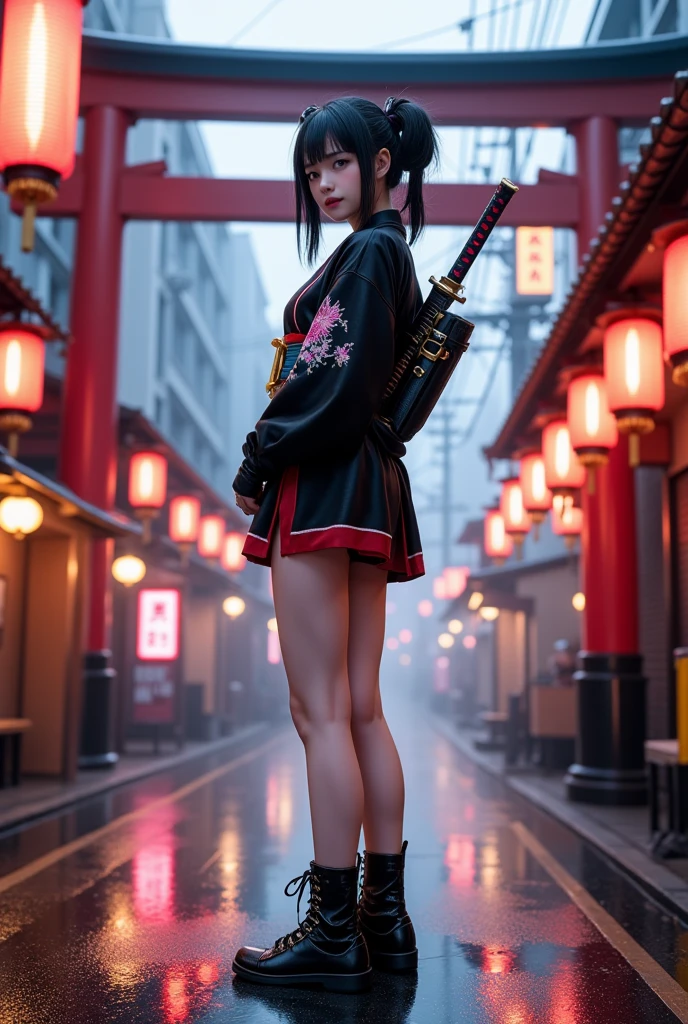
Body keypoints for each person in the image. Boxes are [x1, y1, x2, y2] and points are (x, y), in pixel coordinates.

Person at [231, 95, 438, 993]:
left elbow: (327, 380)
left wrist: (257, 455)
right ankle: (381, 924)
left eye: (338, 162)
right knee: (358, 708)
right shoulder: (394, 254)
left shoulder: (363, 254)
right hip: (368, 485)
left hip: (322, 483)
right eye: (311, 168)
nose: (321, 180)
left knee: (321, 712)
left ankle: (330, 931)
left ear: (383, 164)